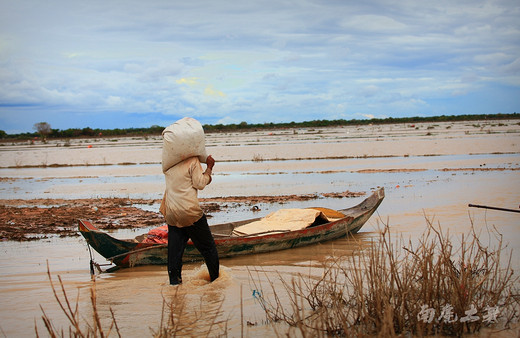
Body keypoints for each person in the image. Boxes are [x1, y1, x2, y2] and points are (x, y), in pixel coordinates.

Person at [160, 154, 219, 285]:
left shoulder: (169, 162)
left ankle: (175, 286)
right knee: (209, 249)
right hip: (189, 212)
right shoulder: (192, 161)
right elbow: (200, 183)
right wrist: (209, 168)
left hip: (172, 213)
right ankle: (216, 283)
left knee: (175, 253)